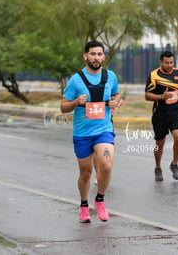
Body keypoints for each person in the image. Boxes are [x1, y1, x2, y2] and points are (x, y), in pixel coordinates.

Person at [61, 40, 121, 223]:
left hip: (103, 129)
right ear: (85, 56)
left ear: (103, 56)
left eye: (99, 54)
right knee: (85, 172)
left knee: (107, 164)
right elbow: (63, 107)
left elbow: (117, 95)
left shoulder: (110, 76)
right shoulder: (76, 79)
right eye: (93, 54)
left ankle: (100, 199)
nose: (96, 58)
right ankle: (84, 204)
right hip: (82, 133)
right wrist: (75, 103)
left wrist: (115, 102)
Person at [144, 51, 178, 181]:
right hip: (160, 114)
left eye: (171, 62)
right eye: (166, 62)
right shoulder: (154, 75)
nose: (169, 65)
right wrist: (161, 97)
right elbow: (147, 95)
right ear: (161, 62)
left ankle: (174, 164)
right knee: (160, 142)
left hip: (175, 113)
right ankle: (157, 167)